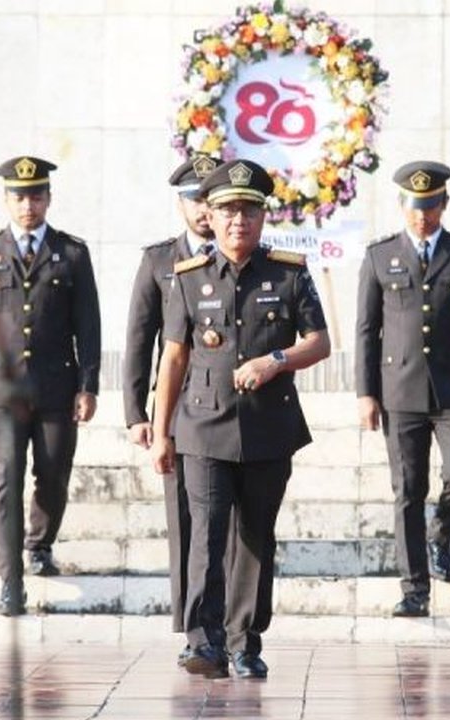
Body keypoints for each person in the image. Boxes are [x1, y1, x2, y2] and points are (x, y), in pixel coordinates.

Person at [150, 159, 331, 679]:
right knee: (206, 534)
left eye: (249, 211)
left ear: (263, 216)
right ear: (210, 214)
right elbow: (174, 359)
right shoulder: (189, 278)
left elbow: (319, 342)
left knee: (254, 537)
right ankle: (203, 643)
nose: (238, 221)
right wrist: (160, 433)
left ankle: (244, 642)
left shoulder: (288, 273)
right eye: (228, 210)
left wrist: (275, 361)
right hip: (202, 427)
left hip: (268, 427)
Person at [353, 160, 450, 618]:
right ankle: (414, 589)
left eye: (432, 206)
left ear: (444, 204)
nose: (423, 216)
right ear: (403, 205)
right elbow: (366, 330)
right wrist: (365, 393)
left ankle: (441, 533)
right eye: (416, 207)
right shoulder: (380, 256)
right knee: (408, 489)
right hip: (399, 391)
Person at [0, 155, 101, 616]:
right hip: (0, 388)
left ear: (48, 199)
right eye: (19, 198)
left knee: (53, 474)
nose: (27, 205)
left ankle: (39, 542)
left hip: (56, 385)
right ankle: (11, 582)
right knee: (6, 478)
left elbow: (88, 325)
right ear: (6, 200)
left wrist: (88, 384)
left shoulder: (72, 253)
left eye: (36, 196)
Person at [122, 153, 229, 665]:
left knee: (226, 525)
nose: (204, 210)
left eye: (211, 200)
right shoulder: (159, 261)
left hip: (228, 407)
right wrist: (137, 414)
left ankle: (228, 625)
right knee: (187, 522)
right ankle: (196, 631)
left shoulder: (241, 257)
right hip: (179, 410)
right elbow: (139, 340)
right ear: (181, 204)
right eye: (195, 200)